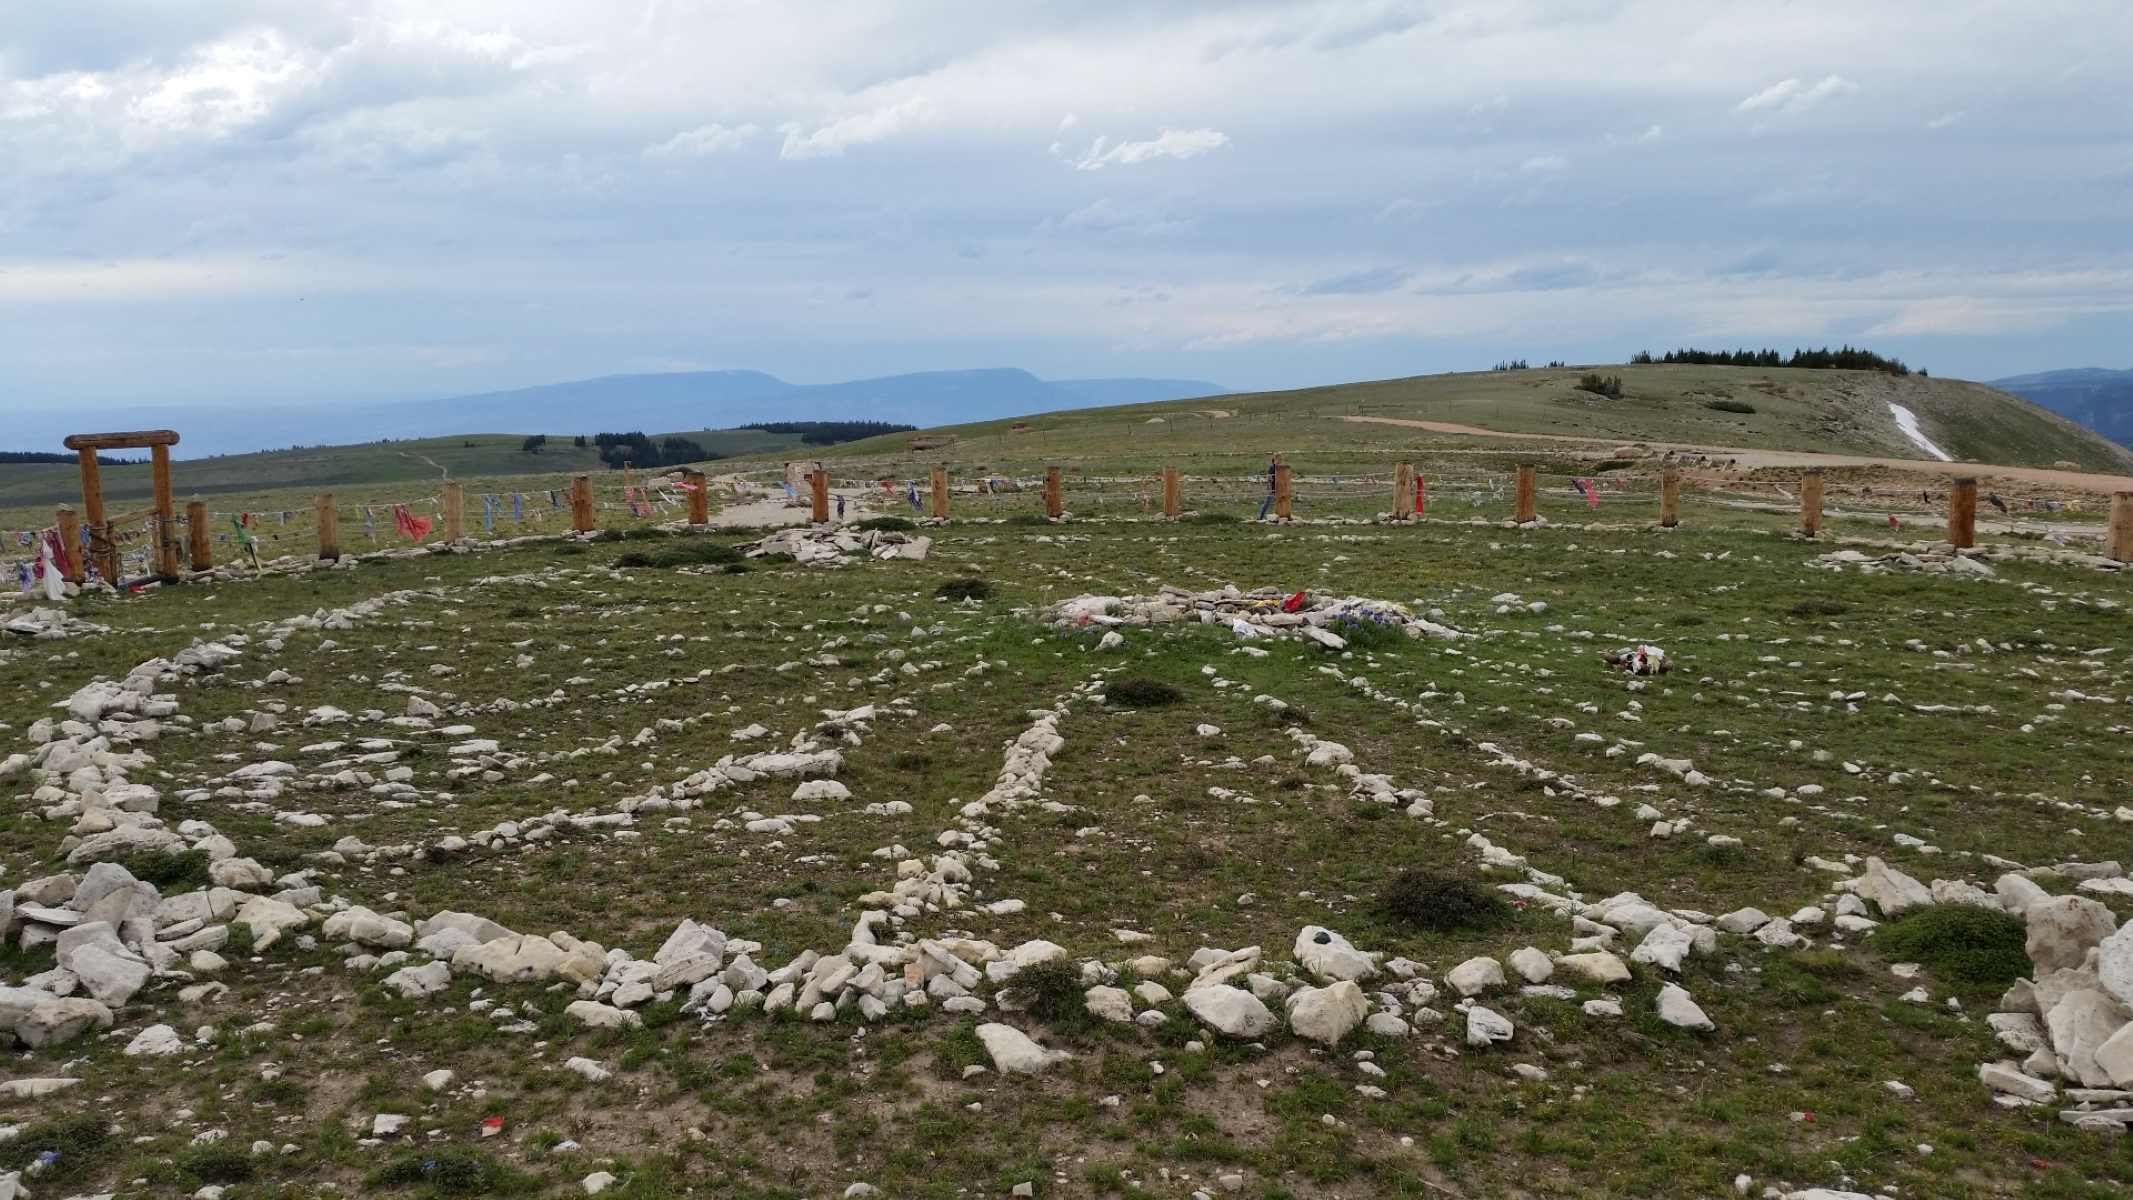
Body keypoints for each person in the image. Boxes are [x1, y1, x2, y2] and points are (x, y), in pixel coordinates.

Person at [1258, 456, 1278, 520]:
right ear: (1274, 461)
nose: (1279, 461)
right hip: (1272, 487)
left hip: (1278, 487)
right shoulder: (1272, 467)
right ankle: (1260, 517)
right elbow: (1269, 478)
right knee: (1267, 503)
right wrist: (1270, 489)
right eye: (1277, 460)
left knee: (1279, 502)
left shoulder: (1279, 467)